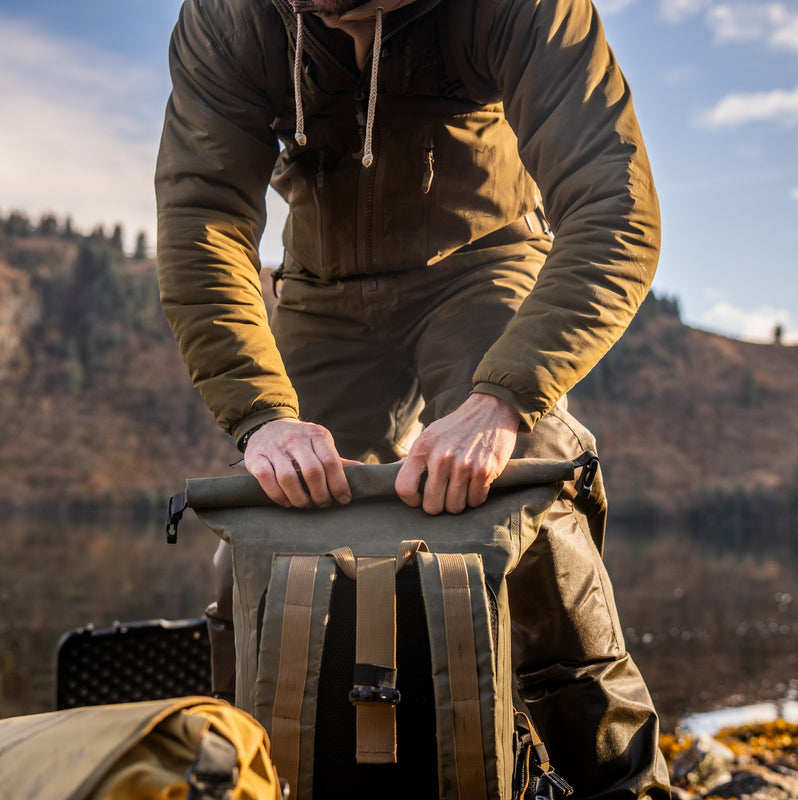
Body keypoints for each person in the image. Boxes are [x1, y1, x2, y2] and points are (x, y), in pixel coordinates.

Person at [155, 0, 671, 796]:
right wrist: (261, 415)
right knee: (266, 522)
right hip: (321, 288)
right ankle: (250, 779)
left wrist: (505, 399)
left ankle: (621, 786)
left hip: (483, 259)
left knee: (526, 496)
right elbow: (202, 221)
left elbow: (615, 205)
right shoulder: (230, 17)